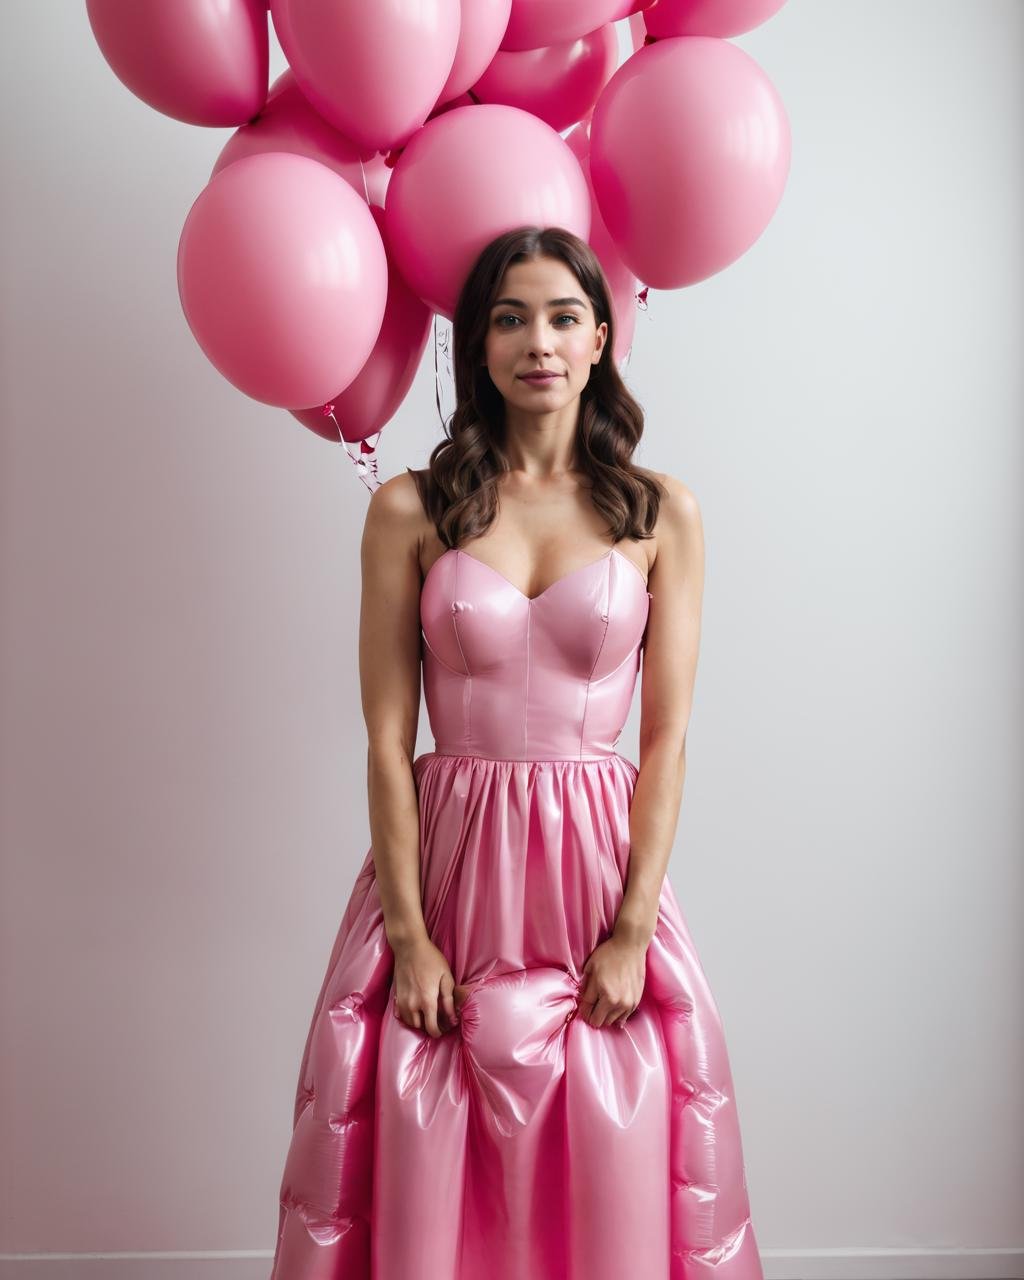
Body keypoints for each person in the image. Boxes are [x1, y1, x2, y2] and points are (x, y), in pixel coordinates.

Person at [269, 226, 763, 1280]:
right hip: (450, 865)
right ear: (477, 347)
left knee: (611, 1128)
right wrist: (407, 931)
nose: (536, 340)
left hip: (594, 863)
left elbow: (667, 734)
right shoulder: (409, 508)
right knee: (426, 1116)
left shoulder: (662, 512)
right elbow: (386, 738)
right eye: (508, 317)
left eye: (561, 315)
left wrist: (633, 925)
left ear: (599, 340)